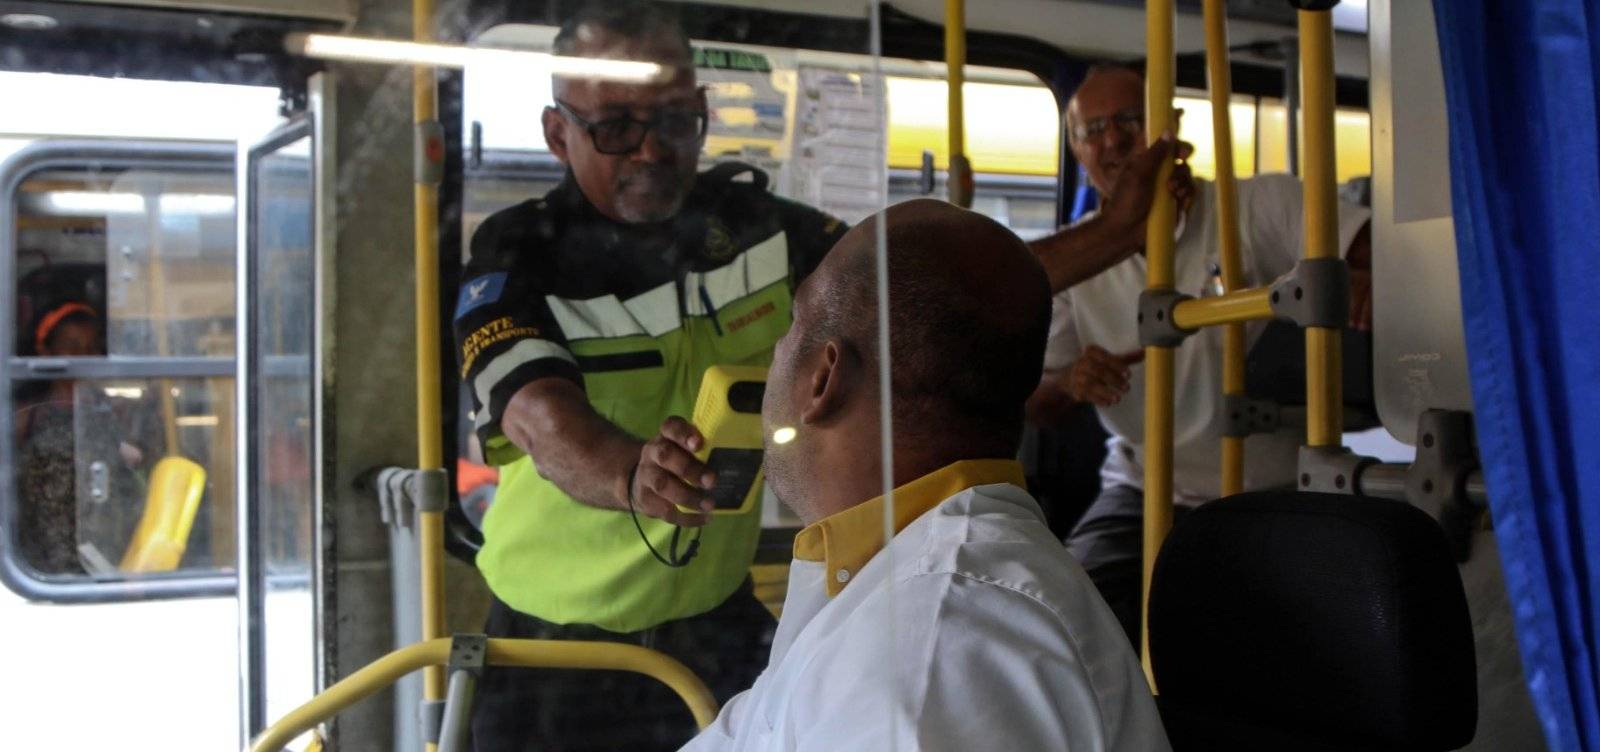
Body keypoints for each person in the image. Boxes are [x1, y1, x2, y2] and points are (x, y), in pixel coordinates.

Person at [452, 4, 847, 749]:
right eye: (615, 127)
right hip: (552, 650)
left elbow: (915, 283)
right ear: (556, 134)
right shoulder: (519, 251)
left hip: (715, 625)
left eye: (673, 122)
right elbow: (537, 415)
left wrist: (1117, 235)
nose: (650, 151)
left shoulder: (760, 230)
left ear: (701, 112)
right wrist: (630, 472)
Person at [683, 199, 1168, 751]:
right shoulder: (893, 585)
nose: (776, 348)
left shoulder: (932, 646)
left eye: (795, 322)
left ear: (823, 377)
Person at [1026, 64, 1374, 640]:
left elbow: (1370, 258)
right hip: (1144, 491)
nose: (1114, 139)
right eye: (1095, 129)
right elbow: (1037, 403)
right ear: (1076, 149)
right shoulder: (1079, 263)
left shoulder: (1260, 204)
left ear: (1171, 128)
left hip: (1280, 487)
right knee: (1068, 625)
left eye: (1131, 120)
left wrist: (1357, 279)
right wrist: (1070, 384)